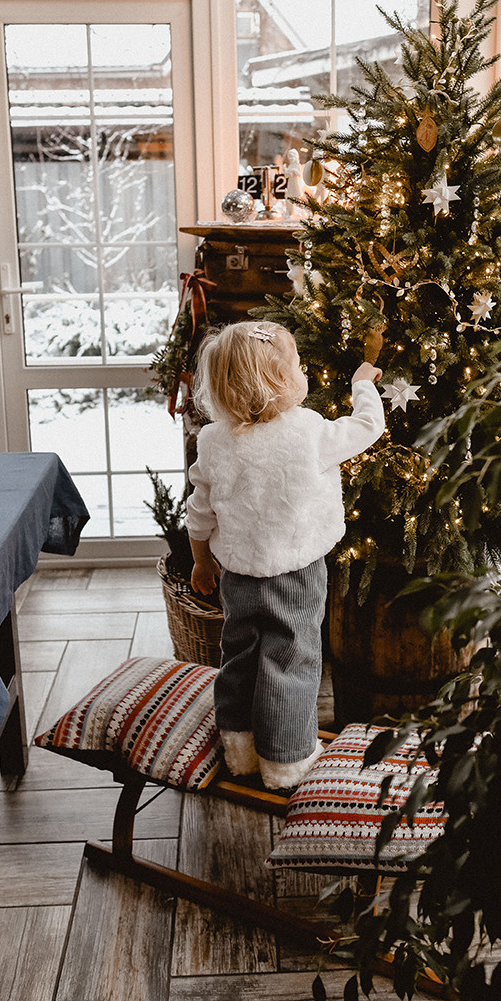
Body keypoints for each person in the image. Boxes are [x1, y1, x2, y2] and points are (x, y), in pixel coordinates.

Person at [186, 320, 385, 789]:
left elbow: (199, 514)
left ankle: (239, 747)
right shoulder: (308, 431)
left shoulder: (213, 441)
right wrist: (362, 382)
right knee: (290, 660)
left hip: (237, 574)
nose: (303, 369)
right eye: (296, 364)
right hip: (296, 572)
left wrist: (200, 560)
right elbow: (367, 427)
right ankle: (286, 760)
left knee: (240, 654)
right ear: (278, 381)